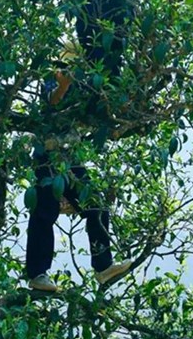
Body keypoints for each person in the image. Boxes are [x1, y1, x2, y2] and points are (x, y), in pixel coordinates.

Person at [24, 69, 133, 293]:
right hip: (48, 154)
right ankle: (37, 274)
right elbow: (50, 102)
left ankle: (103, 266)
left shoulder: (84, 83)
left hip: (70, 156)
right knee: (44, 212)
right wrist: (63, 85)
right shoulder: (50, 79)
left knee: (95, 204)